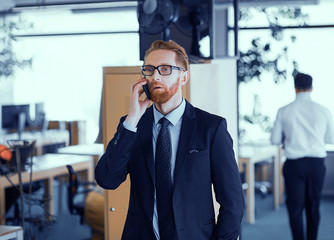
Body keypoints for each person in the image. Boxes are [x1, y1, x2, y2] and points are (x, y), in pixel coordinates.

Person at [95, 40, 245, 240]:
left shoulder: (211, 128)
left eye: (165, 69)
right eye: (149, 69)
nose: (155, 76)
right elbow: (107, 179)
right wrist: (131, 121)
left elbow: (233, 202)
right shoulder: (132, 126)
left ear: (184, 77)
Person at [270, 72, 334, 240]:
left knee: (295, 207)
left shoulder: (284, 111)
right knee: (314, 205)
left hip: (294, 165)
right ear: (311, 88)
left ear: (295, 88)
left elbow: (275, 140)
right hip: (316, 164)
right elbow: (331, 139)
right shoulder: (324, 111)